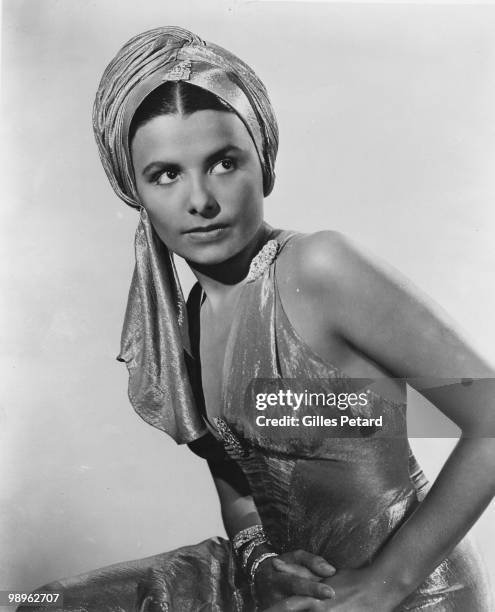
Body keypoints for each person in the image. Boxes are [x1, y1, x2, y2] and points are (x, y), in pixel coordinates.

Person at [19, 25, 494, 612]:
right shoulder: (184, 319)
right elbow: (236, 480)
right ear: (136, 192)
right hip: (292, 596)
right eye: (166, 174)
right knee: (42, 603)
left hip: (412, 593)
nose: (200, 200)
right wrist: (260, 561)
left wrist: (387, 582)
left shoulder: (320, 268)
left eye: (223, 163)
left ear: (262, 163)